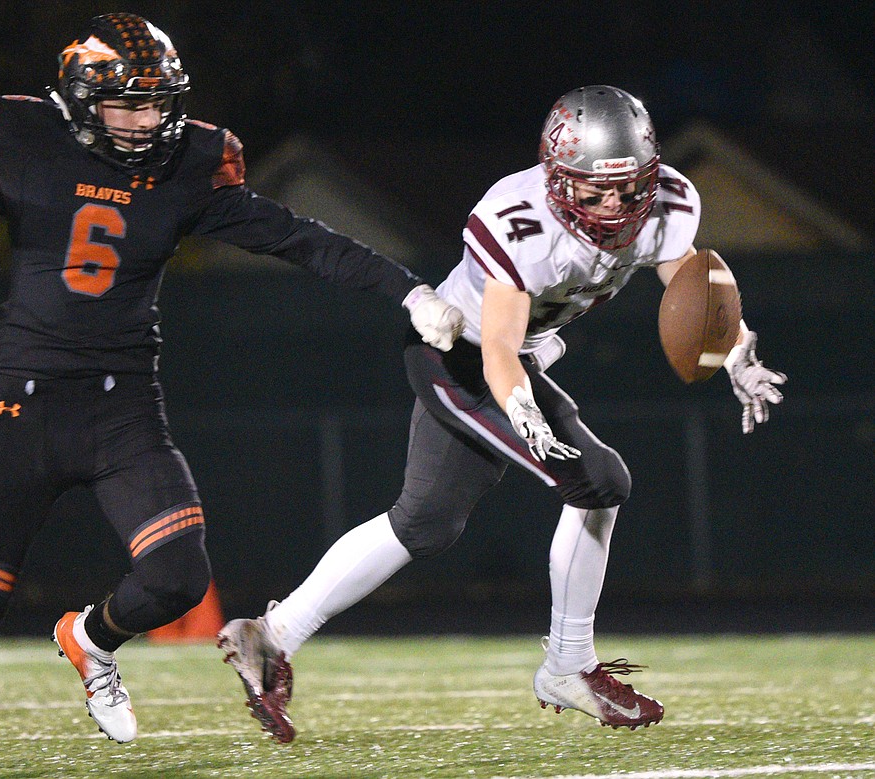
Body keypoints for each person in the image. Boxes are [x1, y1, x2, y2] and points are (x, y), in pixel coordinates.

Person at [0, 12, 465, 770]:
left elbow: (303, 237)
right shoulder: (20, 142)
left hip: (123, 406)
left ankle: (90, 639)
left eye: (157, 102)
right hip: (23, 406)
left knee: (179, 576)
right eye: (128, 103)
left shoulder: (188, 165)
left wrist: (408, 293)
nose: (147, 120)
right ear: (81, 98)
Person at [216, 85, 788, 743]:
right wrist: (524, 409)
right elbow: (497, 345)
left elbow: (690, 283)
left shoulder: (667, 206)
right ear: (556, 179)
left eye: (630, 190)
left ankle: (271, 634)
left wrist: (738, 351)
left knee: (424, 521)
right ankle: (570, 664)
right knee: (600, 481)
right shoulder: (519, 220)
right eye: (595, 191)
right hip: (463, 357)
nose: (615, 207)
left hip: (518, 359)